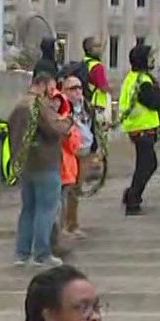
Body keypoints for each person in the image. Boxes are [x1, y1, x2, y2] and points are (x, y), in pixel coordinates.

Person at [9, 70, 70, 265]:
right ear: (42, 84)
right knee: (46, 209)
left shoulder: (19, 104)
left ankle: (22, 253)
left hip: (25, 164)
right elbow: (55, 129)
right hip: (45, 162)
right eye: (51, 88)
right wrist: (67, 121)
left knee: (28, 209)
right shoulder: (38, 105)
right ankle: (42, 253)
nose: (52, 93)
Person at [117, 44, 160, 218]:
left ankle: (132, 194)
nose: (153, 60)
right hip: (142, 127)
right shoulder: (143, 81)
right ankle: (133, 199)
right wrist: (157, 89)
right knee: (147, 165)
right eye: (150, 57)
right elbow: (155, 101)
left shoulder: (131, 77)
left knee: (146, 164)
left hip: (137, 126)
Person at [58, 75, 95, 240]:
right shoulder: (61, 108)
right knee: (66, 189)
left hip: (85, 151)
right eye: (72, 88)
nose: (77, 91)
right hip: (69, 153)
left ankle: (72, 224)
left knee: (76, 190)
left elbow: (91, 126)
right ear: (64, 91)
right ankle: (63, 226)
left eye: (79, 87)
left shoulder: (85, 107)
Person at [77, 37, 112, 124]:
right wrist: (111, 89)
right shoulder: (97, 66)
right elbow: (102, 87)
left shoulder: (84, 62)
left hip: (86, 101)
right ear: (89, 49)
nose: (100, 49)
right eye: (97, 46)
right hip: (97, 104)